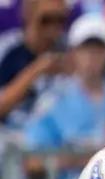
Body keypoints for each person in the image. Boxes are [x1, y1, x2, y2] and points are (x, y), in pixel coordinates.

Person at [21, 14, 105, 179]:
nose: (92, 57)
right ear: (73, 53)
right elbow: (33, 158)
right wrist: (81, 159)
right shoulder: (52, 101)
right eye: (85, 49)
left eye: (98, 50)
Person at [0, 0, 69, 129]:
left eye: (60, 20)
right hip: (11, 136)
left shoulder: (69, 49)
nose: (53, 28)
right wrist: (37, 69)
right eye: (46, 20)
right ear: (29, 16)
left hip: (57, 139)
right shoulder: (8, 49)